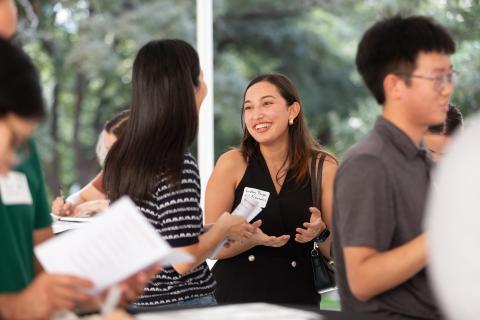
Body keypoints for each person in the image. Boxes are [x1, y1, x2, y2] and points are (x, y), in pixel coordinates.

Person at [0, 5, 160, 319]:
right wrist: (16, 308)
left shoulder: (23, 148)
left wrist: (94, 292)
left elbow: (42, 271)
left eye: (11, 43)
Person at [103, 39, 255, 308]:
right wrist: (222, 228)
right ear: (190, 89)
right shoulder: (177, 163)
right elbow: (183, 260)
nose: (205, 87)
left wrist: (212, 229)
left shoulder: (120, 155)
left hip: (136, 303)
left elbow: (161, 236)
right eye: (201, 78)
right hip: (182, 305)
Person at [332, 15, 456, 319]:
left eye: (450, 77)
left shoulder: (419, 160)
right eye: (437, 78)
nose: (447, 89)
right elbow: (362, 279)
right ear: (395, 86)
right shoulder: (369, 162)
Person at [204, 73, 337, 305]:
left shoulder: (323, 167)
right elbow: (211, 247)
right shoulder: (232, 163)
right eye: (248, 107)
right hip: (233, 301)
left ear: (292, 111)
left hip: (298, 299)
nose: (256, 115)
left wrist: (321, 233)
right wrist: (252, 240)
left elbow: (342, 252)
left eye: (267, 103)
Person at [51, 110, 129, 216]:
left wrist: (100, 205)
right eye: (106, 148)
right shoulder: (113, 171)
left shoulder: (153, 177)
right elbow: (82, 197)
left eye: (113, 150)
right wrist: (68, 206)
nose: (108, 156)